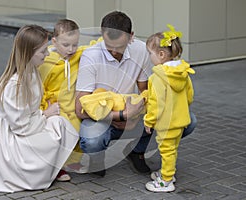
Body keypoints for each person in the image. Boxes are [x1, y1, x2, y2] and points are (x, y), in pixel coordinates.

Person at [75, 11, 197, 177]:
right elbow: (79, 108)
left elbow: (148, 93)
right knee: (92, 140)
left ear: (131, 36)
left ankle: (136, 151)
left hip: (133, 112)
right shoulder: (90, 55)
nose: (114, 52)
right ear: (102, 35)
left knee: (187, 122)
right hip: (104, 115)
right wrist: (122, 115)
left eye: (120, 47)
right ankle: (97, 158)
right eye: (109, 46)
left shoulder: (142, 49)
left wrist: (135, 118)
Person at [0, 24, 79, 193]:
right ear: (29, 53)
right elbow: (20, 125)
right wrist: (45, 114)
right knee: (56, 127)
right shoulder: (15, 85)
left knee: (60, 124)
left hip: (25, 123)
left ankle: (49, 168)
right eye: (43, 51)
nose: (48, 54)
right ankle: (32, 173)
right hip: (10, 136)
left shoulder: (31, 70)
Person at [39, 19, 99, 177]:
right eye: (66, 45)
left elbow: (96, 46)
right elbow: (41, 87)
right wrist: (44, 107)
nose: (71, 49)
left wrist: (116, 41)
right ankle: (57, 167)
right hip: (56, 106)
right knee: (59, 136)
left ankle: (73, 162)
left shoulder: (78, 55)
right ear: (54, 41)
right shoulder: (46, 62)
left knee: (78, 132)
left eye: (75, 44)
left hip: (73, 105)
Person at [144, 24, 195, 192]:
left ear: (161, 54)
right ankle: (168, 173)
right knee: (172, 149)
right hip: (180, 120)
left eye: (150, 53)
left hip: (166, 123)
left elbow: (156, 103)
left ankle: (166, 181)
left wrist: (149, 120)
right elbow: (189, 96)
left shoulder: (157, 76)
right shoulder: (183, 71)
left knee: (166, 150)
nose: (149, 57)